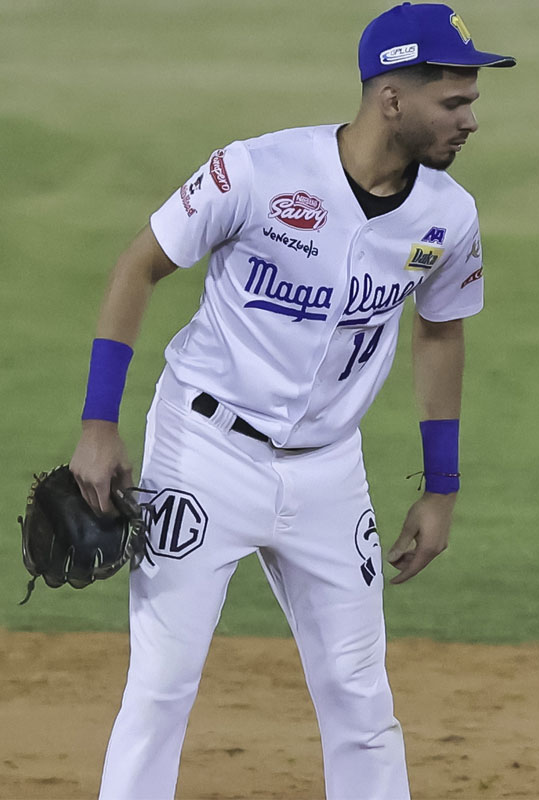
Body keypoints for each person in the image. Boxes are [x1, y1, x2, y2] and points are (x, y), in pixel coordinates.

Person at [68, 4, 514, 797]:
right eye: (454, 101)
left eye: (471, 100)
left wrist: (440, 488)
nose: (471, 119)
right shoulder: (258, 171)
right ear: (390, 97)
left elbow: (440, 334)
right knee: (162, 686)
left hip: (329, 474)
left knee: (360, 696)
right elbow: (137, 266)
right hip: (202, 453)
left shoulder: (449, 216)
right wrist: (98, 424)